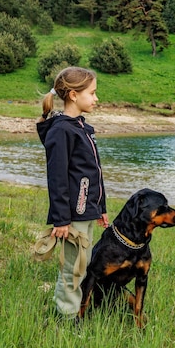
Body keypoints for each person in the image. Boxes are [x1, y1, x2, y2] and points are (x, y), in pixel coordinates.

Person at [37, 66, 110, 320]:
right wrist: (61, 220)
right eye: (92, 93)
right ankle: (66, 318)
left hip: (87, 211)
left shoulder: (81, 127)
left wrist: (100, 209)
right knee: (72, 268)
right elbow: (57, 179)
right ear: (73, 95)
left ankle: (73, 311)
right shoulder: (62, 131)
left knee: (83, 264)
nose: (96, 98)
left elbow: (93, 173)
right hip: (72, 214)